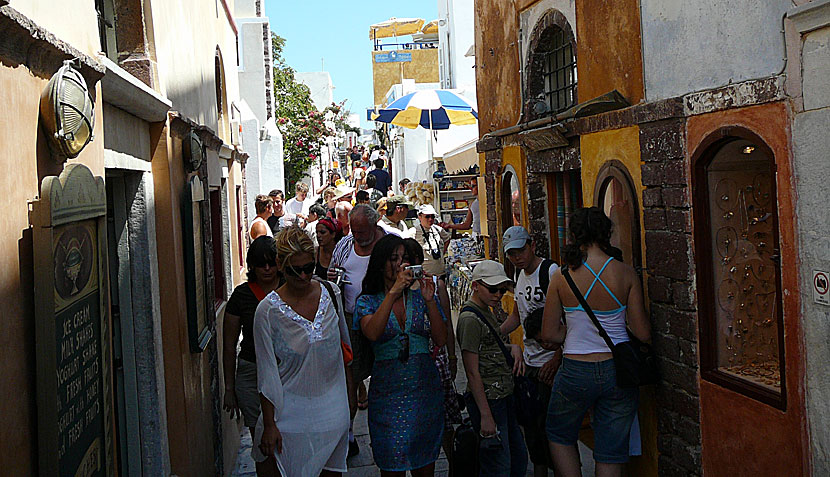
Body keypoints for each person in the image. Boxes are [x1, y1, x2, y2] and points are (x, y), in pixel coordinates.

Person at [540, 207, 650, 477]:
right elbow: (643, 333)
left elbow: (549, 334)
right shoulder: (625, 274)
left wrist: (573, 332)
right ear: (606, 233)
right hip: (618, 370)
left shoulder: (562, 277)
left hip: (576, 368)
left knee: (559, 433)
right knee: (611, 451)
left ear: (574, 234)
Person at [251, 227, 352, 476]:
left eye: (309, 267)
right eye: (297, 270)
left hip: (332, 414)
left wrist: (351, 404)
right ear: (280, 265)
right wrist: (270, 424)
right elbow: (266, 372)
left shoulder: (331, 294)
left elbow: (345, 353)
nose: (306, 276)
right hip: (287, 421)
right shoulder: (267, 312)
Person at [354, 234, 447, 476]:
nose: (399, 264)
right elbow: (372, 332)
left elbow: (441, 339)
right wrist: (393, 292)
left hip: (424, 393)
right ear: (380, 263)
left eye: (404, 258)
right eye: (393, 258)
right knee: (391, 466)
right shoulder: (368, 301)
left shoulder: (420, 297)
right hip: (387, 397)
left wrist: (429, 301)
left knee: (425, 464)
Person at [499, 226, 561, 477]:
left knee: (554, 429)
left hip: (551, 363)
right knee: (533, 428)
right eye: (512, 254)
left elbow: (569, 318)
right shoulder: (519, 275)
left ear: (532, 245)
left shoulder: (550, 272)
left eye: (520, 251)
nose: (517, 258)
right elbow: (517, 314)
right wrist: (494, 333)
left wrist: (558, 359)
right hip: (530, 363)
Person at [456, 260, 528, 477]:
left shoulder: (485, 310)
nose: (498, 294)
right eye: (493, 289)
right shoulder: (470, 319)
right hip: (489, 399)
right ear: (476, 285)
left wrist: (512, 347)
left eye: (502, 289)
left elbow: (487, 345)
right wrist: (486, 415)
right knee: (498, 464)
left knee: (516, 457)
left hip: (502, 396)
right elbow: (471, 370)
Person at [402, 238, 461, 474]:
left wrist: (452, 356)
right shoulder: (394, 290)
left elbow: (446, 324)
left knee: (445, 420)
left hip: (436, 359)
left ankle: (454, 464)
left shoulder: (435, 284)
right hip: (411, 364)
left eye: (408, 260)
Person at [223, 236, 280, 476]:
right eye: (260, 264)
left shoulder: (290, 288)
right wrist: (229, 388)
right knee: (261, 437)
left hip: (285, 371)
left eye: (271, 263)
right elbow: (228, 345)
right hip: (251, 372)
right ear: (252, 266)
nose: (266, 269)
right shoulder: (241, 296)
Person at [414, 205, 451, 280]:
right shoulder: (414, 232)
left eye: (432, 217)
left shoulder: (438, 229)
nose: (430, 219)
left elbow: (447, 238)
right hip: (426, 275)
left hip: (441, 273)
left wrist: (442, 252)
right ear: (420, 217)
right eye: (427, 216)